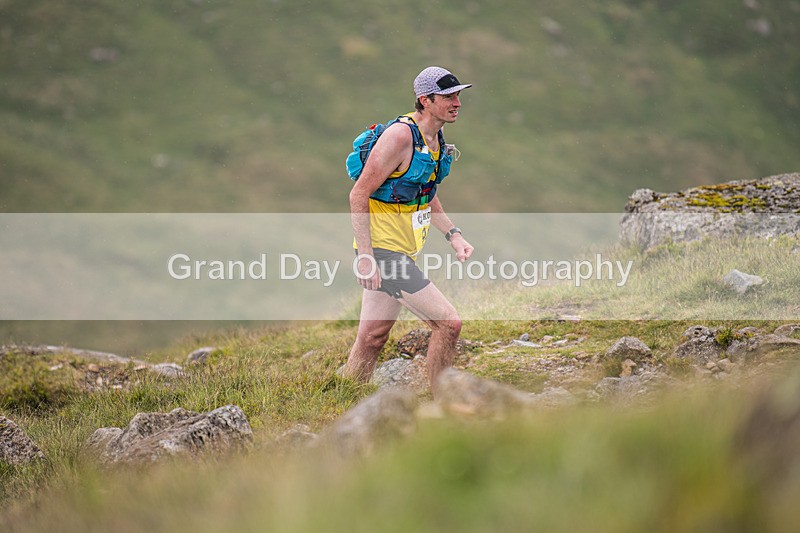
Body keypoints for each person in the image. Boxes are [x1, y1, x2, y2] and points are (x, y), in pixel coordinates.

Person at [344, 66, 474, 396]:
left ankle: (344, 396)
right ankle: (443, 402)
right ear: (425, 100)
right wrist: (366, 258)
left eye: (458, 95)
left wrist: (454, 234)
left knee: (372, 338)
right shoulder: (400, 137)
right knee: (448, 324)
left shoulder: (435, 138)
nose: (457, 103)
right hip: (383, 252)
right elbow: (358, 194)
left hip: (402, 250)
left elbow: (424, 193)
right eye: (448, 96)